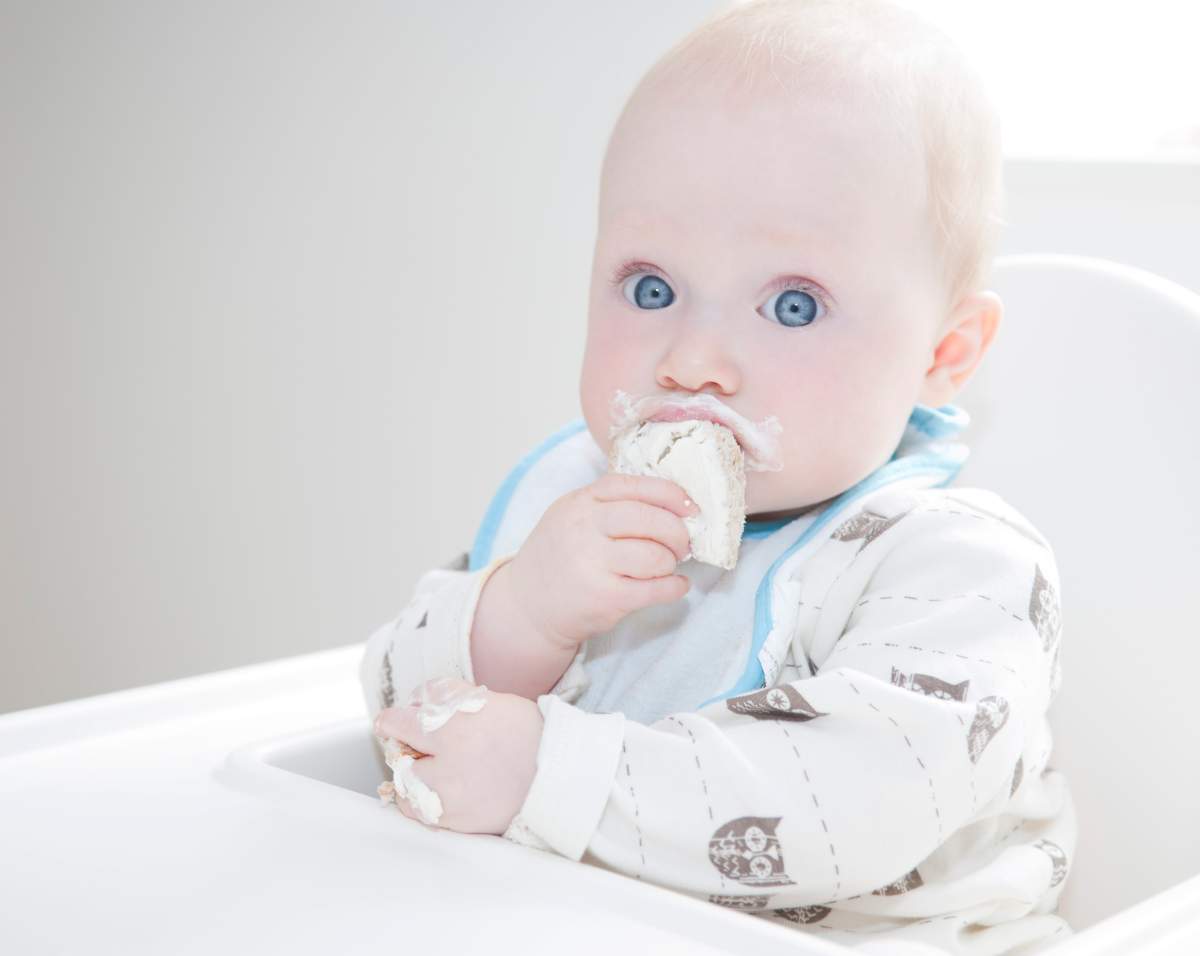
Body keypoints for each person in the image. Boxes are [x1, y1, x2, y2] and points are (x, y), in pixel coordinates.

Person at [361, 1, 1075, 952]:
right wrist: (521, 617)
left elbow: (853, 804)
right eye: (651, 287)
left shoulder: (957, 569)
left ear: (943, 355)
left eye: (792, 304)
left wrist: (546, 772)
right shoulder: (576, 501)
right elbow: (400, 714)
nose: (694, 356)